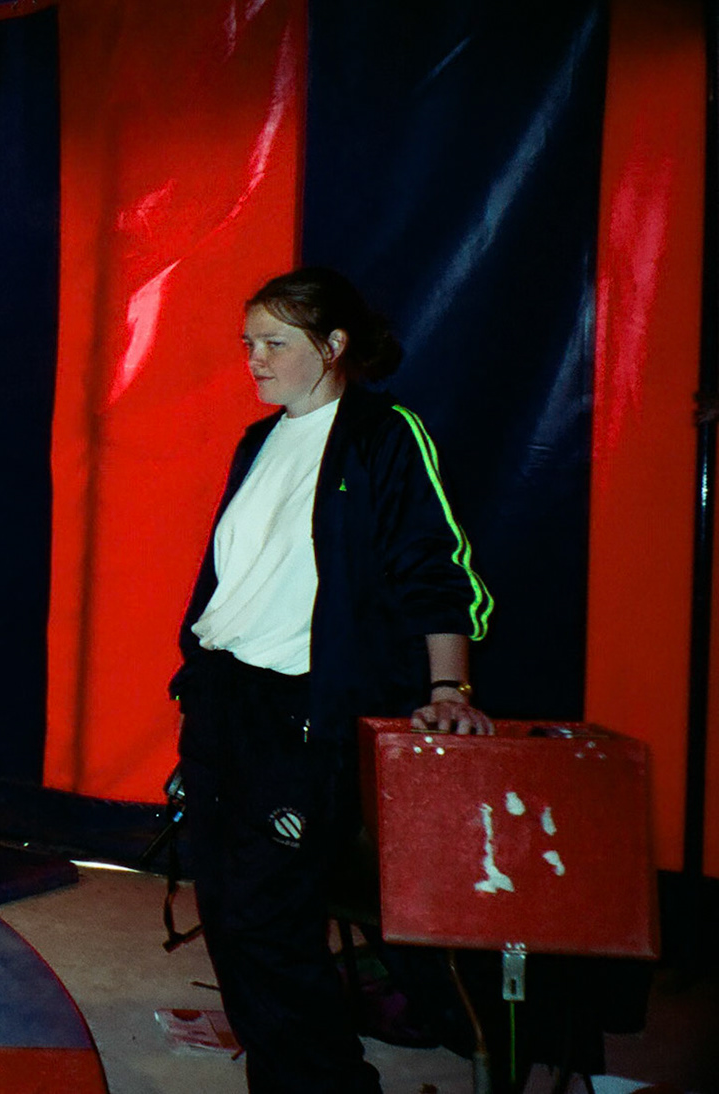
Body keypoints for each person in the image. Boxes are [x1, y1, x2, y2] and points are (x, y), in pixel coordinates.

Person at [170, 267, 495, 1093]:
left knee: (270, 922)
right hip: (221, 699)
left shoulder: (386, 434)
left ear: (335, 345)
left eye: (276, 342)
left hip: (302, 714)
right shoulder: (258, 440)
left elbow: (438, 569)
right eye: (248, 342)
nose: (255, 358)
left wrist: (448, 690)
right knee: (228, 912)